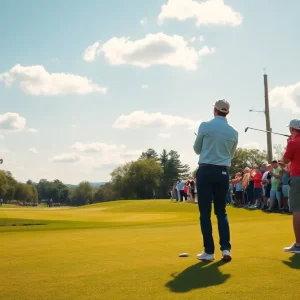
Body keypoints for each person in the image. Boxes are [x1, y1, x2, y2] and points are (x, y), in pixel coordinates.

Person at [193, 99, 238, 261]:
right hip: (223, 173)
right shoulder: (233, 132)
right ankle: (226, 249)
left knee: (205, 213)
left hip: (205, 170)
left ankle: (209, 252)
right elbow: (230, 155)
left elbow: (197, 149)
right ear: (227, 112)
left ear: (214, 110)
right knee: (221, 212)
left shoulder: (205, 126)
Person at [283, 119, 300, 253]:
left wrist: (289, 143)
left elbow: (285, 160)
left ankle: (298, 245)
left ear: (292, 129)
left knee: (297, 210)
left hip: (297, 178)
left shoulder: (293, 142)